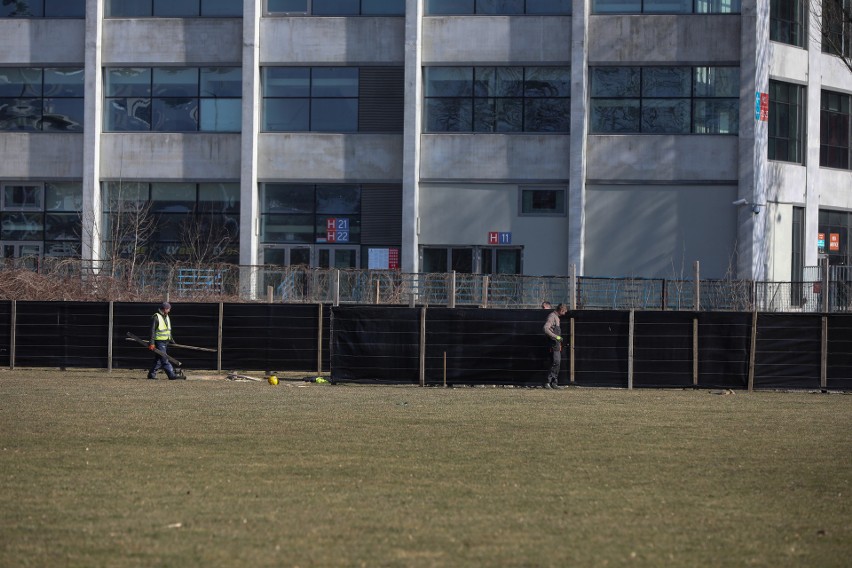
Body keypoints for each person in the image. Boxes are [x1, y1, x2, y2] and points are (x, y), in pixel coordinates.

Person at [148, 301, 182, 380]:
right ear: (165, 309)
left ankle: (151, 374)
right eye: (168, 309)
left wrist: (171, 340)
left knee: (158, 359)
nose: (169, 311)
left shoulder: (166, 316)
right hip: (159, 341)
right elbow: (152, 331)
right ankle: (171, 375)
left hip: (165, 341)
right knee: (164, 358)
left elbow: (168, 330)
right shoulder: (156, 317)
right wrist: (152, 343)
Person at [543, 303, 568, 389]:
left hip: (557, 345)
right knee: (555, 362)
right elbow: (546, 329)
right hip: (553, 344)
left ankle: (554, 383)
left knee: (557, 363)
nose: (564, 314)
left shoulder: (557, 318)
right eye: (564, 312)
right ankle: (548, 382)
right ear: (561, 310)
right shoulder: (552, 316)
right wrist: (556, 337)